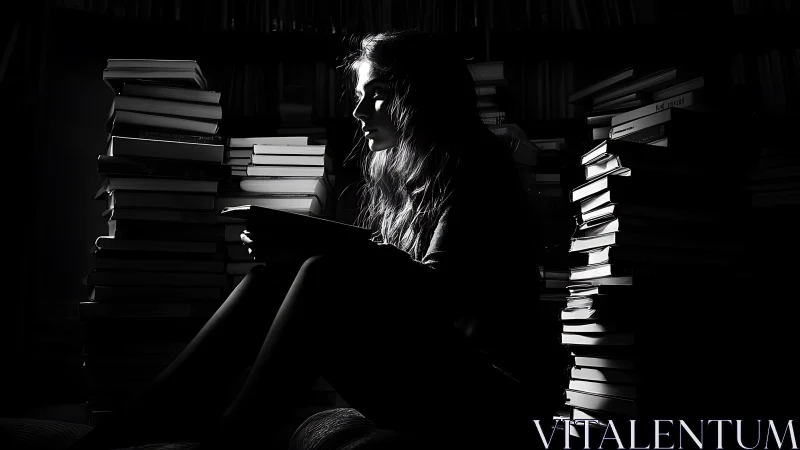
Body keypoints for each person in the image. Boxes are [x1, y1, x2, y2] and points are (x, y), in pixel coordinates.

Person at [70, 30, 563, 450]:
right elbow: (400, 297)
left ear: (421, 95)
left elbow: (439, 297)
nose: (360, 112)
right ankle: (139, 422)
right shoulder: (410, 172)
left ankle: (230, 439)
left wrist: (343, 252)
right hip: (438, 374)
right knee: (272, 277)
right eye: (360, 95)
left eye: (379, 93)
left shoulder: (477, 164)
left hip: (492, 396)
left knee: (324, 275)